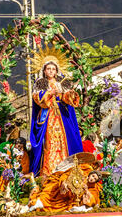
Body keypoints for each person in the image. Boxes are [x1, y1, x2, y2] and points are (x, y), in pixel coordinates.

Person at [29, 48, 84, 178]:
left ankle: (66, 168)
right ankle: (50, 170)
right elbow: (38, 99)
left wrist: (70, 94)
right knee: (49, 142)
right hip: (48, 117)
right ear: (44, 70)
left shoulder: (63, 82)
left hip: (62, 117)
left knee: (64, 141)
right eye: (48, 69)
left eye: (53, 69)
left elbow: (68, 100)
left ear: (56, 70)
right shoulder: (40, 83)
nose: (51, 71)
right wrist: (49, 93)